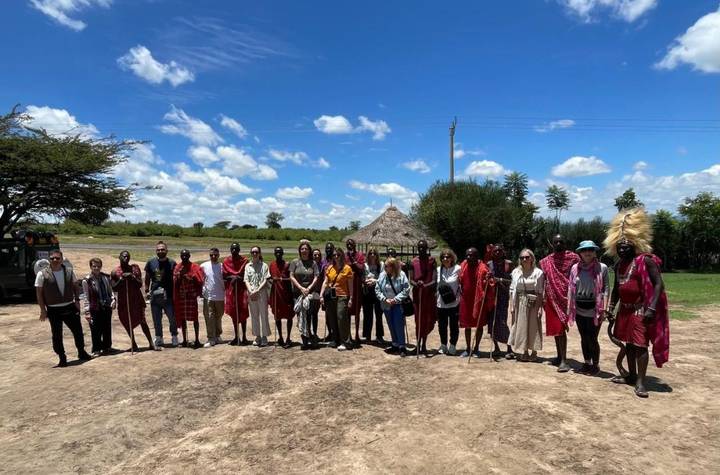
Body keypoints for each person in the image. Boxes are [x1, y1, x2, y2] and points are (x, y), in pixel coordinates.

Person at [604, 208, 669, 398]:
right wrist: (610, 308)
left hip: (640, 310)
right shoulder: (618, 266)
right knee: (629, 345)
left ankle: (641, 382)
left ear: (634, 246)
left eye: (626, 246)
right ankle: (631, 376)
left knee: (640, 346)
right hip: (624, 310)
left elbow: (659, 285)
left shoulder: (645, 261)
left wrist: (650, 308)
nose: (623, 249)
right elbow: (617, 289)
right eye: (620, 247)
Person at [35, 249, 91, 367]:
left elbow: (75, 286)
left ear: (62, 259)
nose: (55, 260)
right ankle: (62, 357)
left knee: (78, 331)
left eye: (57, 258)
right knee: (56, 334)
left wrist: (77, 300)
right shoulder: (42, 274)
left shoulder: (69, 271)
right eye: (52, 258)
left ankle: (81, 352)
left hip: (69, 306)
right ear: (49, 260)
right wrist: (43, 309)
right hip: (53, 309)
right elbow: (39, 293)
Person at [567, 241, 610, 375]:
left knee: (592, 338)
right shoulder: (575, 268)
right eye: (584, 250)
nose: (587, 252)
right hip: (579, 308)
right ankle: (587, 363)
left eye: (590, 249)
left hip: (595, 309)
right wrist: (569, 308)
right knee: (584, 337)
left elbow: (606, 289)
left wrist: (605, 309)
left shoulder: (602, 268)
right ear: (580, 252)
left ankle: (595, 365)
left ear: (595, 251)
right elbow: (570, 288)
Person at [539, 234, 580, 373]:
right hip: (551, 297)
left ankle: (564, 360)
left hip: (566, 298)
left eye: (560, 242)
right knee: (557, 329)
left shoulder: (573, 258)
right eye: (555, 242)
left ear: (565, 243)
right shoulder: (546, 261)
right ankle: (559, 356)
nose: (558, 244)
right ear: (552, 244)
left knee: (561, 330)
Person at [113, 250, 155, 351]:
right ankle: (134, 344)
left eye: (127, 257)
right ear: (119, 257)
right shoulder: (115, 272)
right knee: (126, 322)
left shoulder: (135, 269)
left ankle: (151, 343)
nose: (125, 258)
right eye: (123, 256)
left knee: (142, 320)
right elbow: (114, 287)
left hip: (136, 299)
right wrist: (121, 280)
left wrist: (132, 277)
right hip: (124, 301)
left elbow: (140, 283)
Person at [508, 249, 544, 362]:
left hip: (534, 302)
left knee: (534, 326)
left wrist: (540, 308)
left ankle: (534, 351)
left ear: (532, 258)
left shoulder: (538, 273)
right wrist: (512, 306)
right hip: (520, 301)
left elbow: (540, 291)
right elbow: (512, 289)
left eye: (527, 257)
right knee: (522, 326)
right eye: (522, 257)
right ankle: (524, 351)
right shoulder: (515, 272)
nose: (524, 259)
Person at [458, 247, 494, 358]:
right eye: (467, 255)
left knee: (479, 324)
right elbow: (460, 280)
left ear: (477, 256)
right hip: (466, 300)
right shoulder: (463, 266)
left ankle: (476, 348)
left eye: (472, 255)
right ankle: (468, 348)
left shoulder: (483, 268)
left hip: (478, 300)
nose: (469, 257)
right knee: (467, 325)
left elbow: (490, 283)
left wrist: (488, 279)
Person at [144, 241, 178, 347]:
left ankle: (174, 336)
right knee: (156, 318)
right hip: (155, 294)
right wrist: (146, 289)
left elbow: (176, 278)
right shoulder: (151, 262)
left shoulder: (172, 263)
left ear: (167, 250)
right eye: (158, 249)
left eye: (162, 249)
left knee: (172, 318)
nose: (160, 251)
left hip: (169, 295)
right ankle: (159, 337)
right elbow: (148, 276)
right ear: (156, 251)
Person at [320, 249, 354, 350]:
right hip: (331, 296)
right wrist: (321, 295)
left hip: (342, 296)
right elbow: (325, 282)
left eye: (338, 255)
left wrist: (351, 298)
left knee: (341, 317)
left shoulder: (347, 268)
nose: (336, 257)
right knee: (332, 318)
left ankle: (346, 341)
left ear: (342, 256)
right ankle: (336, 340)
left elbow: (350, 285)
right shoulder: (330, 268)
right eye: (334, 255)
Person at [375, 257, 410, 356]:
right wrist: (384, 299)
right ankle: (395, 344)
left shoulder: (401, 275)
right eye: (385, 266)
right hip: (386, 304)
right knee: (391, 325)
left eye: (387, 266)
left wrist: (396, 299)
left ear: (393, 266)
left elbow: (406, 289)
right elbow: (377, 289)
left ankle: (402, 346)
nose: (385, 268)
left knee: (398, 325)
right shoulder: (382, 275)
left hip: (398, 304)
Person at [81, 257, 116, 356]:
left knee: (107, 327)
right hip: (94, 307)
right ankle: (96, 349)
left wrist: (113, 300)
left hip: (106, 306)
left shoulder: (106, 277)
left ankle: (107, 347)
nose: (96, 268)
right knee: (95, 329)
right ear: (91, 267)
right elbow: (86, 297)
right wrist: (87, 311)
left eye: (98, 266)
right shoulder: (86, 281)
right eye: (94, 266)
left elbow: (110, 291)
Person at [408, 239, 437, 356]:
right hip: (417, 294)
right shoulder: (413, 261)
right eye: (419, 247)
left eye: (423, 247)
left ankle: (424, 344)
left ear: (427, 248)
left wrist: (425, 285)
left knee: (427, 319)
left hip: (428, 294)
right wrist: (417, 284)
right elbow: (411, 279)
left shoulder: (432, 261)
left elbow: (434, 279)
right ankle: (418, 345)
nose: (421, 249)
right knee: (418, 320)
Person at [289, 241, 320, 350]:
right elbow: (291, 276)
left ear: (309, 250)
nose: (304, 251)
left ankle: (313, 336)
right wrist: (301, 288)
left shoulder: (313, 263)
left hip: (311, 293)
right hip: (298, 293)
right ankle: (305, 339)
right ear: (299, 250)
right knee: (301, 317)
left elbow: (316, 276)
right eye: (302, 249)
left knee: (311, 315)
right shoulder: (295, 262)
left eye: (306, 249)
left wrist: (309, 288)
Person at [173, 249, 205, 348]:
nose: (184, 257)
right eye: (183, 256)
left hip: (191, 296)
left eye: (186, 255)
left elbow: (200, 280)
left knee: (195, 318)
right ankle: (184, 340)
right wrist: (179, 276)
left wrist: (190, 277)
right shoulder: (178, 267)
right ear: (180, 256)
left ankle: (197, 339)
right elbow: (175, 283)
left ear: (189, 256)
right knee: (183, 318)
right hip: (182, 296)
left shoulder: (195, 267)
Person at [488, 244, 513, 359]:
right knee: (492, 322)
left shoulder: (509, 264)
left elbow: (512, 280)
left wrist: (500, 280)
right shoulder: (489, 264)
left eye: (499, 251)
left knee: (502, 322)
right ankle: (496, 348)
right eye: (495, 251)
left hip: (503, 296)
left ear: (503, 252)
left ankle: (509, 348)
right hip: (491, 296)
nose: (497, 253)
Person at [222, 243, 250, 345]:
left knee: (243, 313)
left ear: (239, 250)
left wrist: (239, 278)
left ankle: (244, 337)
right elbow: (224, 276)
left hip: (242, 291)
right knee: (234, 314)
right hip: (232, 291)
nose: (234, 251)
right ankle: (236, 336)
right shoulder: (226, 261)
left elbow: (248, 275)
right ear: (230, 250)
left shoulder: (245, 261)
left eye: (236, 249)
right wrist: (232, 277)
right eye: (232, 249)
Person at [245, 246, 271, 346]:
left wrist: (257, 290)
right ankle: (257, 336)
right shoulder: (248, 266)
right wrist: (251, 290)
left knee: (264, 315)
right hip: (251, 293)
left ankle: (264, 336)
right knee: (254, 315)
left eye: (256, 252)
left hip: (261, 293)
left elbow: (265, 279)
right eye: (253, 252)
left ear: (259, 253)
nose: (254, 254)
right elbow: (246, 280)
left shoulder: (264, 265)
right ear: (251, 253)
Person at [436, 249, 460, 355]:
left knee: (454, 325)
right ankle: (443, 345)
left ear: (452, 258)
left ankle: (453, 345)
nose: (445, 259)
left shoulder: (458, 269)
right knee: (442, 325)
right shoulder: (438, 270)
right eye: (443, 257)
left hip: (454, 303)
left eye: (448, 257)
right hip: (441, 303)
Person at [269, 247, 294, 347]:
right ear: (274, 253)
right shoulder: (272, 265)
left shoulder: (287, 265)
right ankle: (280, 337)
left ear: (283, 253)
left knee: (289, 316)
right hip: (276, 293)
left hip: (286, 293)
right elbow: (269, 277)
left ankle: (288, 337)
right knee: (277, 316)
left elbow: (291, 278)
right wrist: (272, 279)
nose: (278, 254)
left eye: (280, 252)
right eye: (276, 252)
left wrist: (282, 278)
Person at [201, 248, 225, 348]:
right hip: (208, 296)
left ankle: (218, 335)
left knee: (218, 316)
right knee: (209, 317)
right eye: (211, 255)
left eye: (215, 255)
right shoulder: (203, 266)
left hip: (220, 296)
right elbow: (200, 278)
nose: (213, 257)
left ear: (218, 255)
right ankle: (211, 338)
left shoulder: (222, 266)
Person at [362, 248, 385, 345]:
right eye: (370, 253)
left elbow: (383, 277)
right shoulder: (364, 265)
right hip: (367, 291)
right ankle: (367, 336)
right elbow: (362, 277)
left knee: (379, 314)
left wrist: (375, 281)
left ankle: (379, 336)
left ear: (377, 255)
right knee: (367, 314)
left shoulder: (381, 265)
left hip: (378, 291)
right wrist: (366, 281)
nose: (372, 255)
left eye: (374, 253)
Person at [345, 238, 366, 345]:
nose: (349, 246)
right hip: (347, 285)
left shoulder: (360, 255)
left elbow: (361, 267)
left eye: (351, 244)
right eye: (348, 244)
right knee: (348, 310)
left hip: (357, 285)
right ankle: (348, 335)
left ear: (355, 245)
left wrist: (353, 261)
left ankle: (357, 334)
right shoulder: (344, 256)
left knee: (357, 310)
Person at [308, 248, 324, 342]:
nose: (317, 256)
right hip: (309, 292)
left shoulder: (322, 266)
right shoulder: (309, 266)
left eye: (318, 255)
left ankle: (314, 333)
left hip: (318, 292)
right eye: (315, 255)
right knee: (308, 314)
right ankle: (309, 333)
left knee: (315, 314)